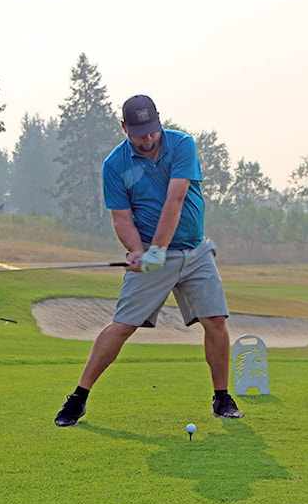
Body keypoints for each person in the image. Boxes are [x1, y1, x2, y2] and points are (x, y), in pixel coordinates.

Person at [54, 94, 243, 427]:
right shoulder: (115, 165)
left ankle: (221, 397)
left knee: (216, 320)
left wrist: (154, 249)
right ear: (124, 127)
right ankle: (78, 398)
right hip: (155, 256)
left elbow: (176, 199)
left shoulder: (181, 144)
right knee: (122, 326)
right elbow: (122, 218)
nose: (148, 138)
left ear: (159, 120)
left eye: (152, 130)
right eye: (139, 132)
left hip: (195, 251)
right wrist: (138, 251)